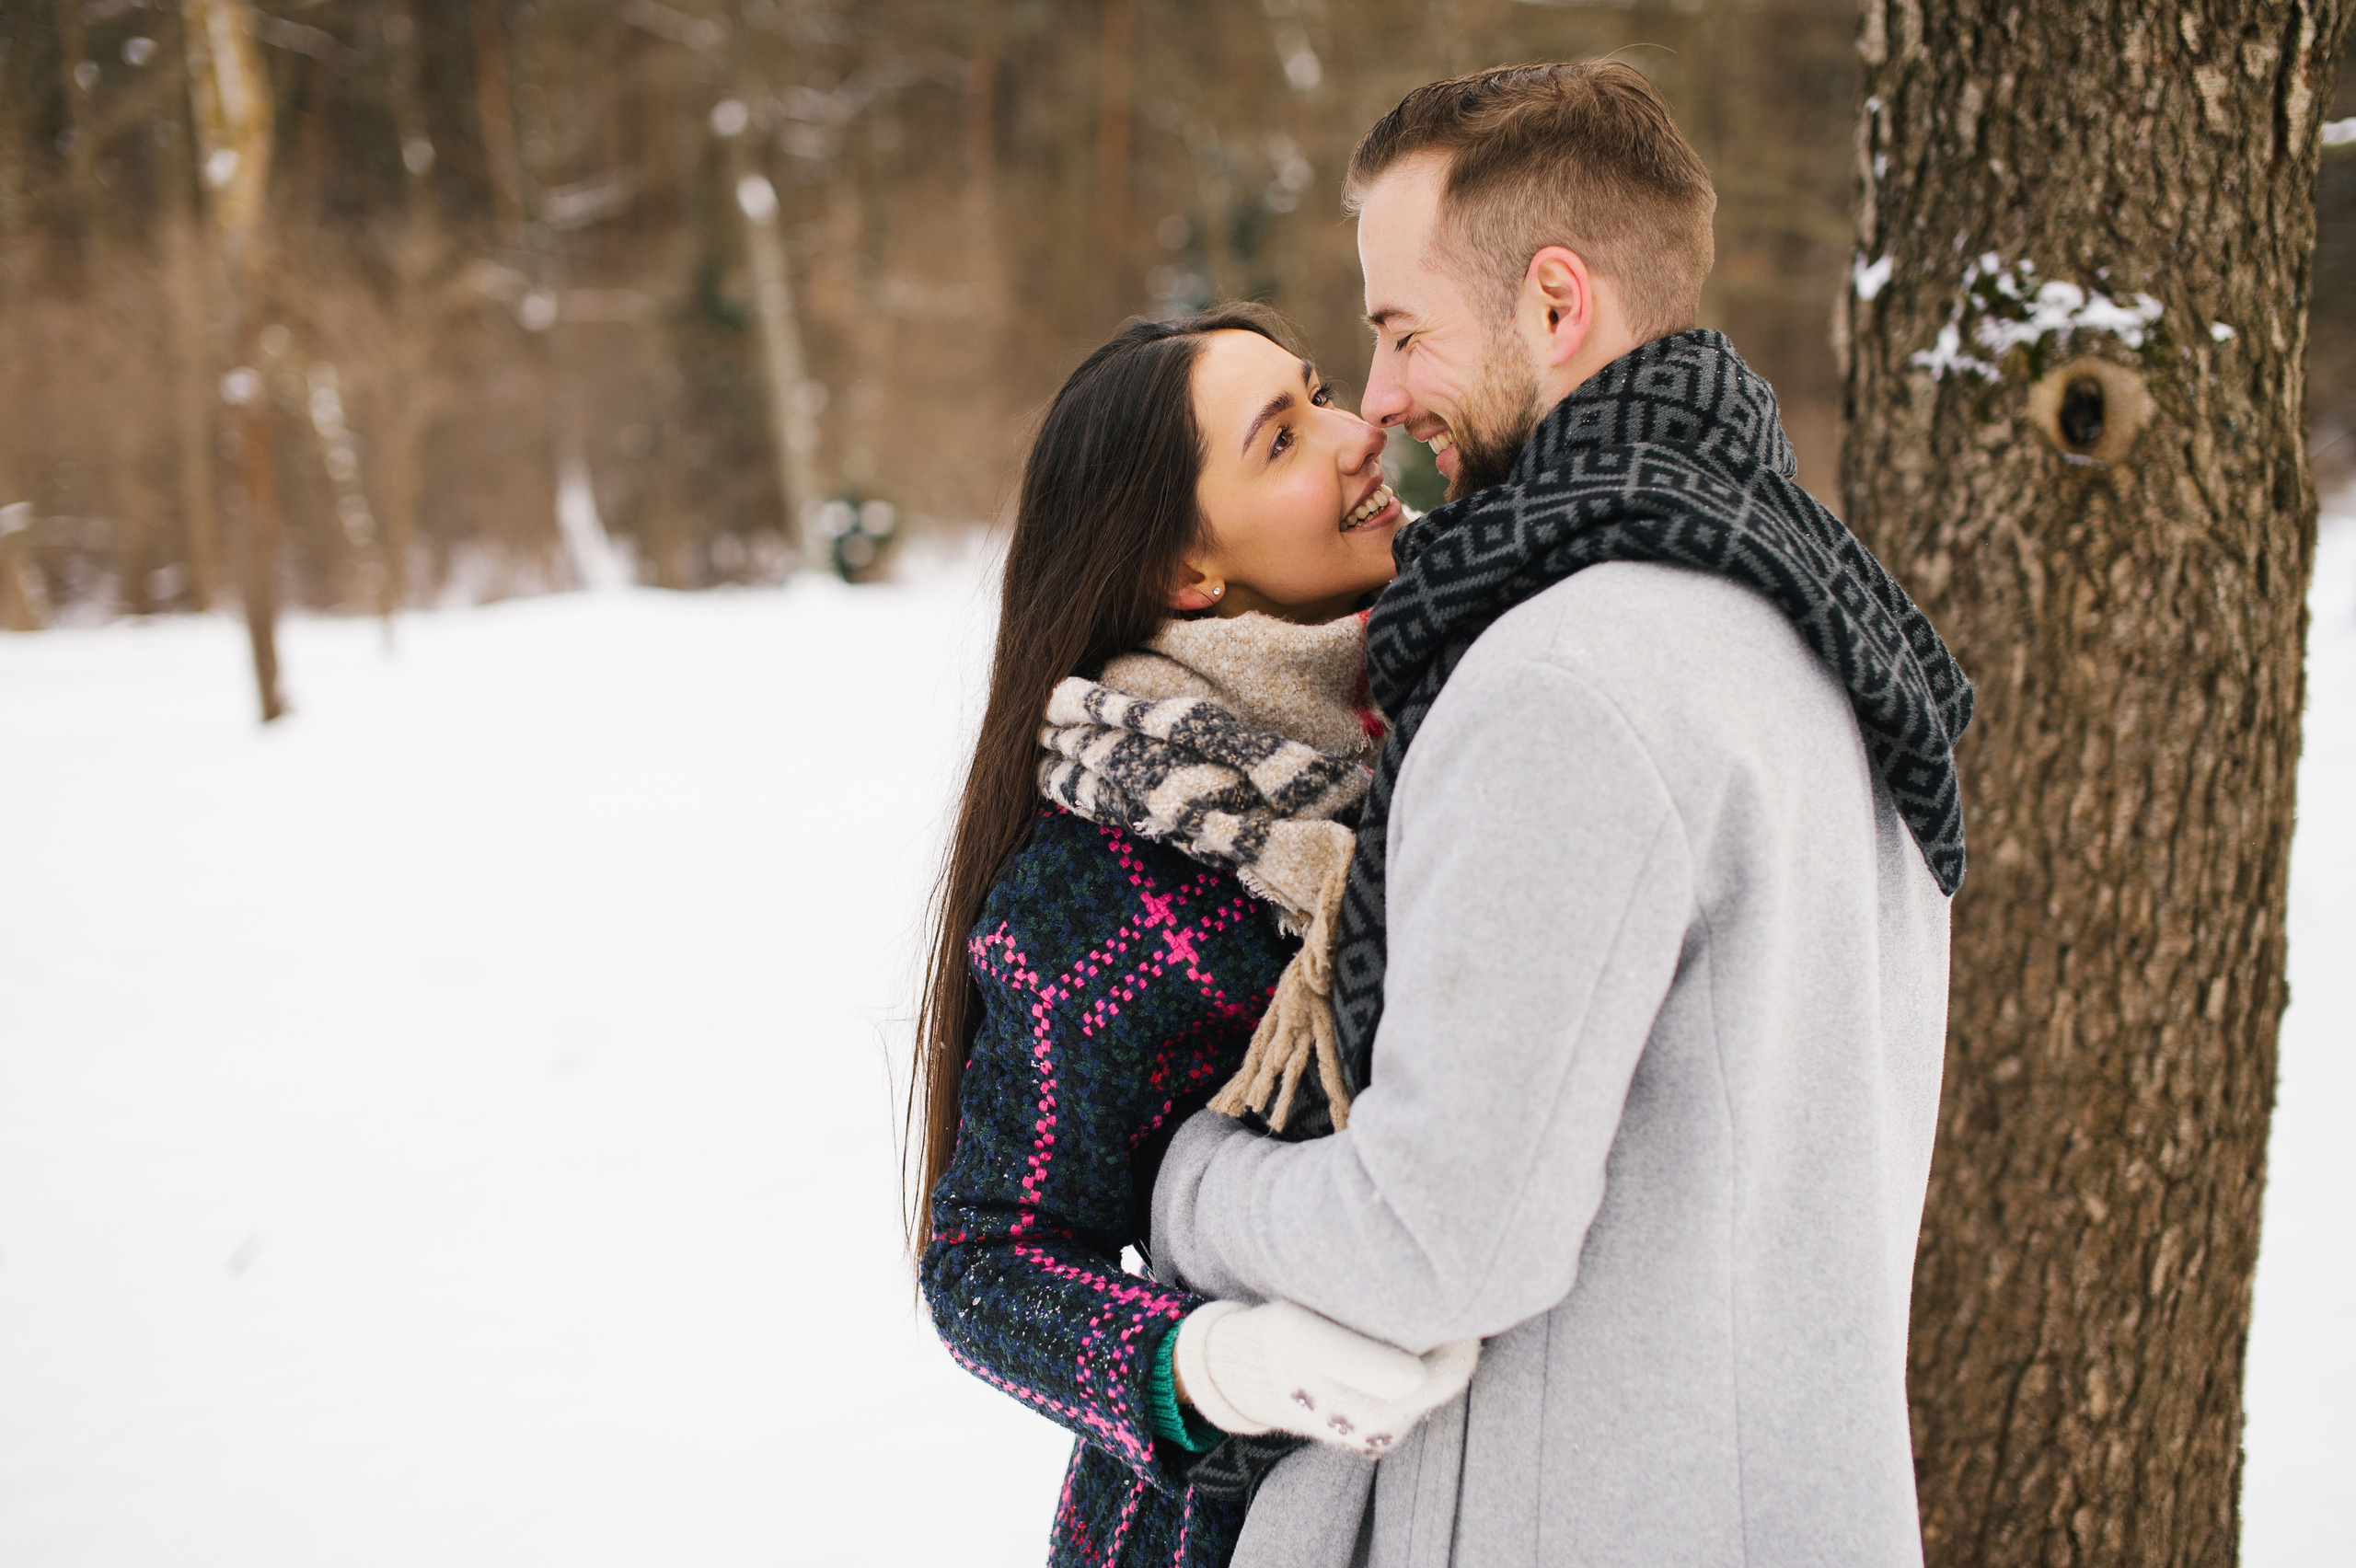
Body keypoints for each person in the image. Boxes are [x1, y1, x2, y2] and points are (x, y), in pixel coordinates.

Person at [1149, 62, 1976, 1566]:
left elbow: (1434, 1240)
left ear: (1553, 301)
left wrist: (1195, 1185)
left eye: (1402, 332)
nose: (1381, 398)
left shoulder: (1565, 680)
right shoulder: (1818, 618)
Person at [912, 305, 1479, 1568]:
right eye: (1282, 440)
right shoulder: (1103, 877)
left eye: (1324, 392)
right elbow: (985, 1261)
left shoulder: (1476, 693)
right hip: (1222, 1529)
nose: (1356, 433)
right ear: (1187, 571)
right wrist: (1217, 1366)